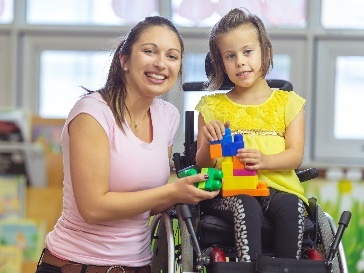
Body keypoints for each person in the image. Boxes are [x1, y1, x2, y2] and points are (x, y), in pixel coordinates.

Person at [35, 16, 219, 273]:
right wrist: (172, 192)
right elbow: (93, 208)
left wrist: (191, 188)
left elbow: (149, 203)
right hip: (77, 265)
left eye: (172, 56)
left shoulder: (167, 116)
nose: (160, 64)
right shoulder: (92, 113)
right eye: (149, 51)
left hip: (138, 266)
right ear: (124, 60)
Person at [195, 8, 307, 262]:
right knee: (245, 205)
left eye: (247, 52)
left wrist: (266, 161)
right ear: (220, 62)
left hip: (278, 190)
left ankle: (286, 269)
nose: (240, 62)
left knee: (292, 207)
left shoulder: (289, 103)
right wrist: (211, 142)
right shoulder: (211, 107)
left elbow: (295, 156)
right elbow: (202, 164)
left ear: (265, 52)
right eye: (230, 56)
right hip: (229, 192)